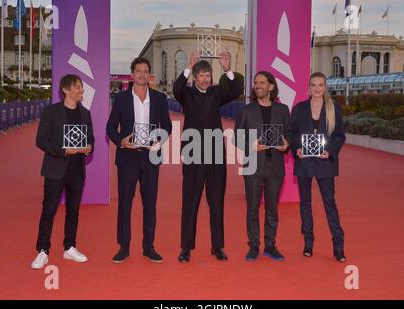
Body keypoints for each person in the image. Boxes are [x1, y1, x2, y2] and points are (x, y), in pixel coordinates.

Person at [173, 51, 243, 262]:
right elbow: (177, 89)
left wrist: (228, 68)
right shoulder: (185, 94)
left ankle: (217, 247)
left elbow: (236, 90)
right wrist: (188, 65)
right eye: (200, 75)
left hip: (215, 156)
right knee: (190, 203)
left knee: (216, 202)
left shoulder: (216, 93)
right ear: (194, 77)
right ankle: (186, 247)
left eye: (207, 75)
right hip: (193, 154)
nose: (204, 79)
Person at [106, 57, 172, 264]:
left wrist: (159, 140)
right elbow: (110, 128)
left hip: (151, 157)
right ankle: (123, 247)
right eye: (138, 71)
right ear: (132, 74)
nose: (142, 75)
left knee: (150, 204)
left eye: (146, 71)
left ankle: (148, 247)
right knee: (125, 204)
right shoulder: (122, 99)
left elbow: (167, 127)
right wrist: (121, 142)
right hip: (127, 157)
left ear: (149, 75)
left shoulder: (160, 99)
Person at [31, 74, 94, 269]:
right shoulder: (51, 112)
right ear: (65, 90)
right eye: (77, 87)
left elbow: (90, 137)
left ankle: (70, 247)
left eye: (81, 87)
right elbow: (41, 140)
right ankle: (42, 251)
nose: (81, 91)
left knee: (73, 211)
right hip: (55, 169)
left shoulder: (86, 114)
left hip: (77, 170)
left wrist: (89, 146)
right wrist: (63, 151)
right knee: (48, 210)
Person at [290, 72, 347, 262]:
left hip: (325, 163)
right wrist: (297, 148)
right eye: (313, 85)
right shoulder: (299, 109)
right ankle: (308, 243)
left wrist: (329, 151)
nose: (316, 89)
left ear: (325, 88)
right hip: (304, 162)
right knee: (305, 204)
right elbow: (292, 134)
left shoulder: (334, 109)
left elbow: (339, 136)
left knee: (330, 204)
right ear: (308, 88)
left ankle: (338, 246)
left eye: (320, 85)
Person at [234, 71, 290, 262]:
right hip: (253, 166)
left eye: (262, 82)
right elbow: (236, 137)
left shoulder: (283, 110)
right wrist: (251, 145)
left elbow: (289, 134)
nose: (258, 85)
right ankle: (254, 246)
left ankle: (271, 245)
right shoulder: (246, 111)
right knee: (252, 208)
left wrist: (286, 145)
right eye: (256, 83)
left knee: (272, 209)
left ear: (271, 86)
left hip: (275, 166)